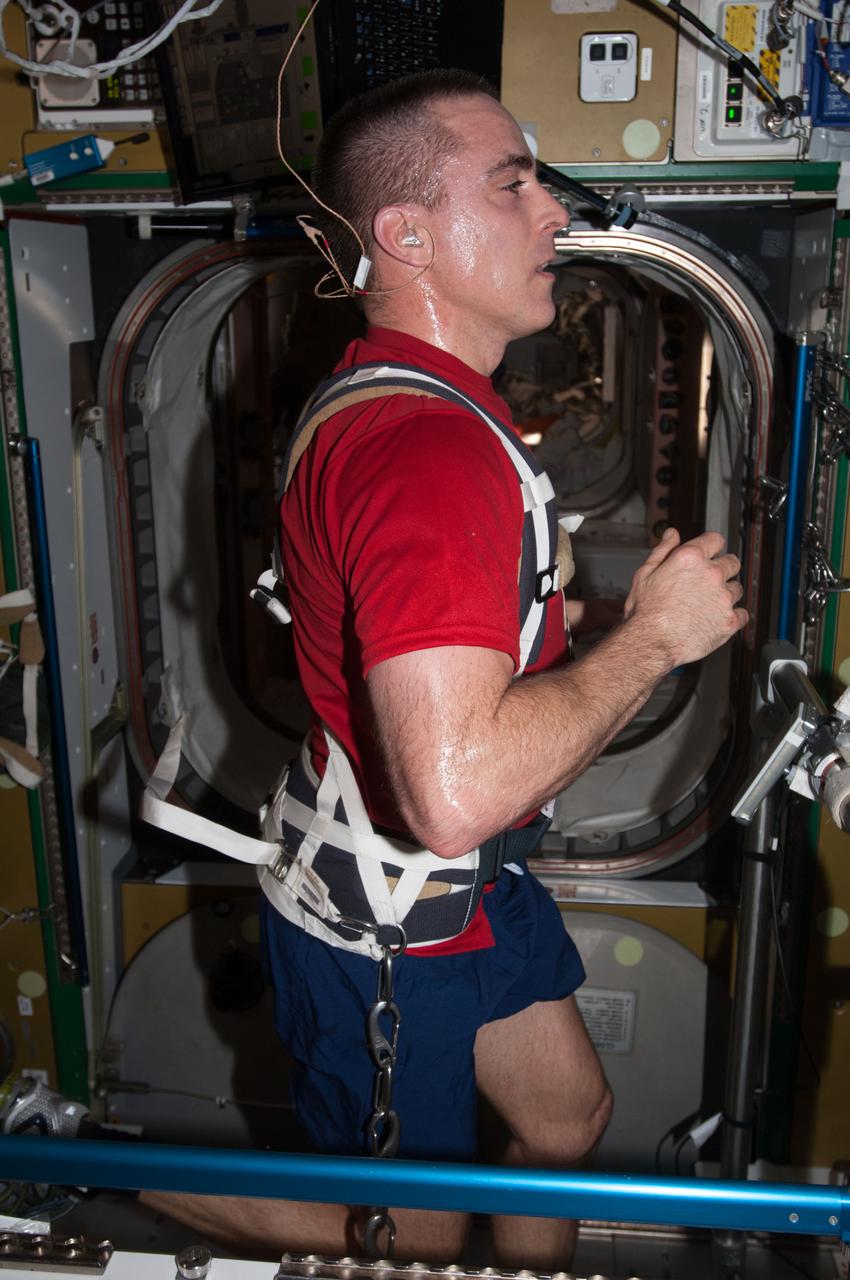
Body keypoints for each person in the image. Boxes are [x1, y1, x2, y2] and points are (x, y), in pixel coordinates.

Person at [140, 68, 748, 1264]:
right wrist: (655, 636)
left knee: (565, 1115)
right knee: (404, 1237)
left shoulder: (424, 406)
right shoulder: (425, 452)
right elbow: (454, 788)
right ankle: (73, 1157)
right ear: (406, 234)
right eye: (513, 185)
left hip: (472, 885)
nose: (554, 216)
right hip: (387, 918)